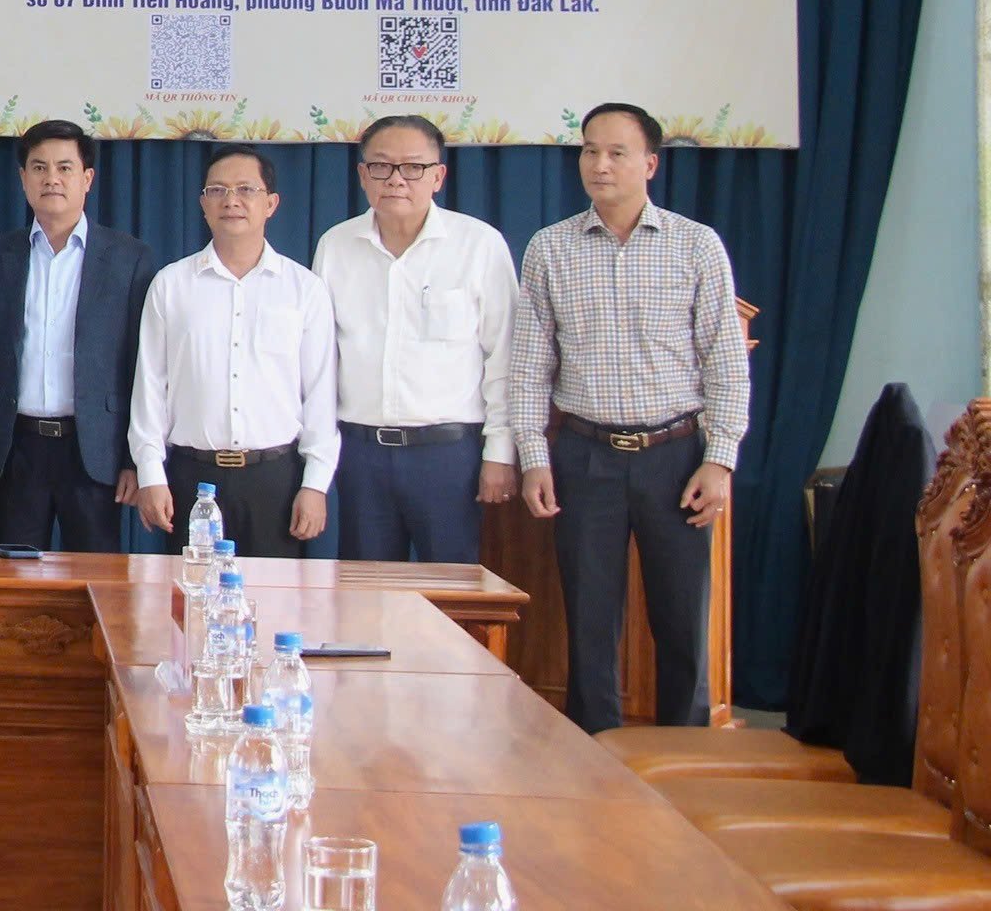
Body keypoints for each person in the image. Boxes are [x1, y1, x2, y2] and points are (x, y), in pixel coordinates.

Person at [513, 101, 750, 731]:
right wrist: (533, 457)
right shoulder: (550, 248)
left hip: (676, 455)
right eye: (590, 150)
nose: (600, 164)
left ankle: (685, 755)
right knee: (589, 619)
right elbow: (530, 367)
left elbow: (726, 363)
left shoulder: (696, 245)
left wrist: (719, 460)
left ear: (649, 163)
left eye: (617, 152)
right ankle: (595, 751)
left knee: (681, 619)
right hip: (584, 454)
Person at [312, 115, 518, 564]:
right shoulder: (336, 246)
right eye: (381, 166)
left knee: (451, 593)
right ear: (362, 174)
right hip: (360, 454)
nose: (396, 179)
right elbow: (319, 360)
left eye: (413, 167)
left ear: (438, 176)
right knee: (365, 593)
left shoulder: (479, 245)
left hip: (448, 455)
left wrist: (500, 451)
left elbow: (504, 356)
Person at [130, 146, 338, 558]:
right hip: (191, 478)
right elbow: (149, 386)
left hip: (275, 479)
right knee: (189, 595)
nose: (231, 200)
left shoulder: (304, 289)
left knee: (275, 595)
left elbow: (319, 393)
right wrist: (150, 473)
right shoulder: (171, 284)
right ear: (203, 203)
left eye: (246, 189)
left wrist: (315, 484)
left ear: (271, 204)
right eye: (218, 190)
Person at [0, 119, 157, 553]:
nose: (51, 179)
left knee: (97, 581)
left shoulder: (129, 259)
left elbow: (144, 365)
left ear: (87, 178)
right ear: (23, 178)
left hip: (94, 450)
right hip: (16, 449)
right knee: (14, 577)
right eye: (39, 168)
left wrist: (134, 460)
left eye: (64, 168)